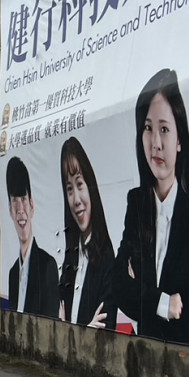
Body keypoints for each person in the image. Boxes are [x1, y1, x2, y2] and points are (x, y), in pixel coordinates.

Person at [114, 71, 189, 344]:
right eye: (148, 128)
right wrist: (163, 303)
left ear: (180, 140)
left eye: (164, 129)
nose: (155, 143)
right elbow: (118, 285)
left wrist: (141, 293)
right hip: (139, 351)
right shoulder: (136, 204)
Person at [57, 137, 116, 329]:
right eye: (69, 189)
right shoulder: (70, 258)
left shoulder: (107, 258)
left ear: (91, 186)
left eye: (79, 184)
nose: (76, 200)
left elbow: (105, 325)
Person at [5, 156, 59, 317]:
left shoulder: (47, 265)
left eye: (23, 199)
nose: (20, 209)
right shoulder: (13, 272)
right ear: (9, 209)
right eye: (15, 200)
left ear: (32, 205)